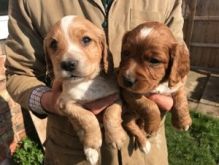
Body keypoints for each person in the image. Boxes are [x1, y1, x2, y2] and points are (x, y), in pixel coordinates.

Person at [5, 0, 185, 164]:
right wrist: (53, 102)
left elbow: (178, 59)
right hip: (73, 150)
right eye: (54, 45)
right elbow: (18, 74)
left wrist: (167, 101)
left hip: (144, 148)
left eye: (85, 40)